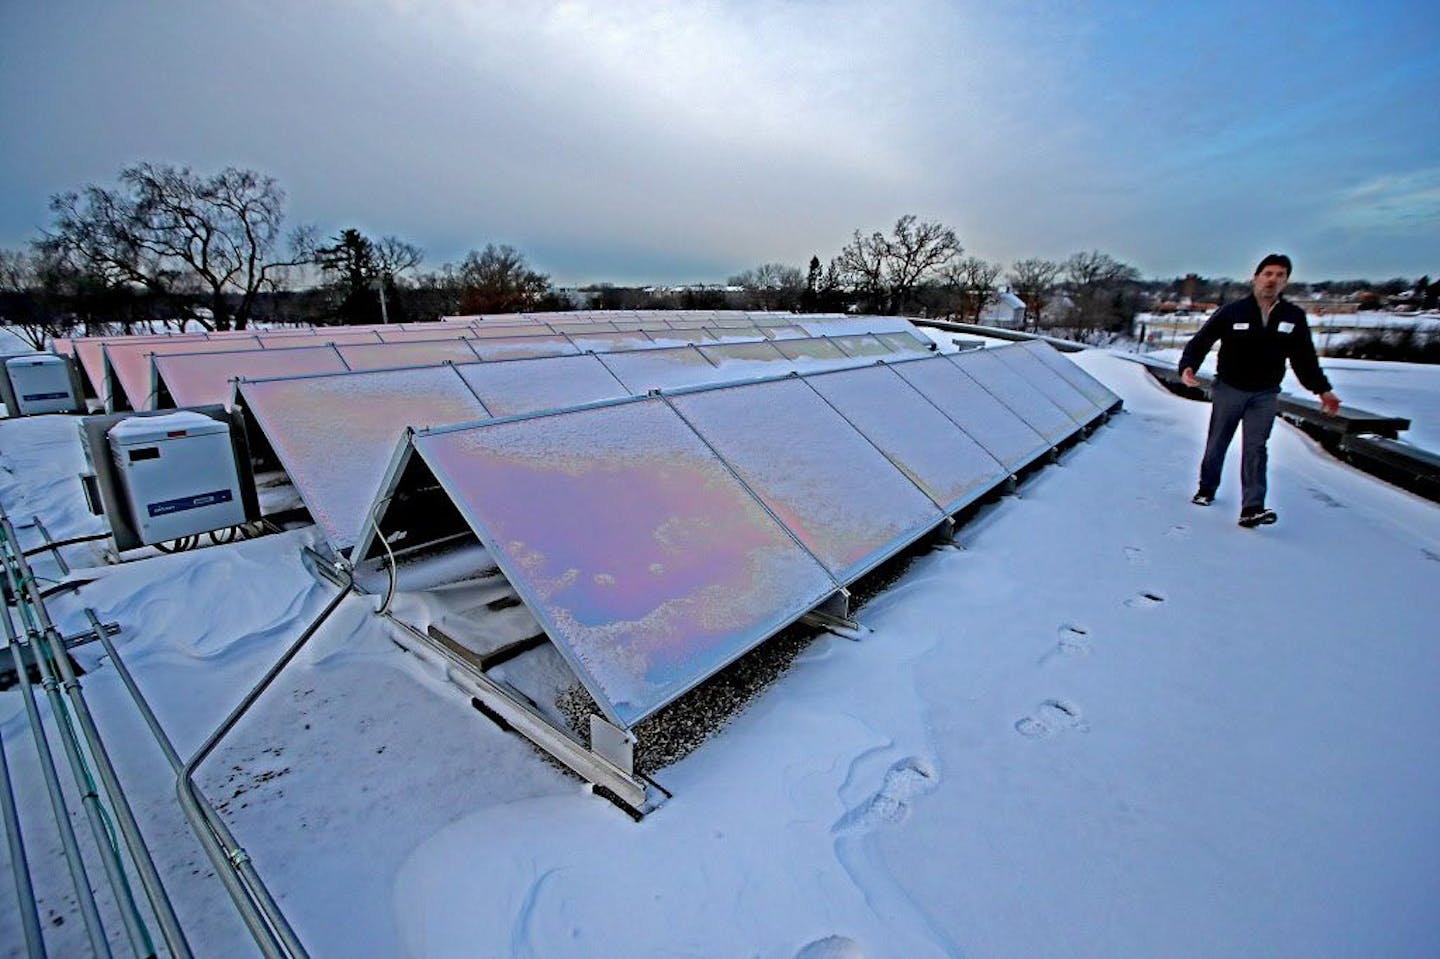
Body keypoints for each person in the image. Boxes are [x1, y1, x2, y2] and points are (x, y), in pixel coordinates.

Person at [1178, 253, 1341, 528]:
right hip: (1230, 387)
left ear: (1286, 281)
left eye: (1279, 275)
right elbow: (1202, 340)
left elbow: (1305, 359)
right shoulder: (1233, 312)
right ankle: (1207, 488)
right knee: (1218, 440)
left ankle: (1252, 507)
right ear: (1256, 277)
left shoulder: (1293, 317)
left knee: (1256, 448)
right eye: (1267, 273)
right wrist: (1188, 366)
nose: (1272, 279)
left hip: (1265, 393)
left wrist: (1322, 390)